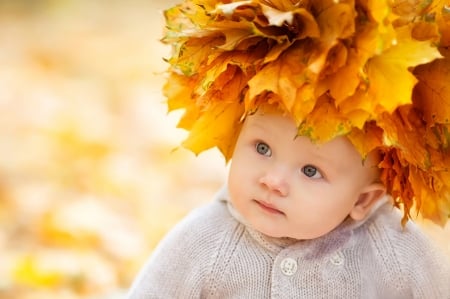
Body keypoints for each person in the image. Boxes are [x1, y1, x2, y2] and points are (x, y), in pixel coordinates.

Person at [128, 0, 450, 298]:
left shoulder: (395, 252)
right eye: (263, 148)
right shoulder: (206, 241)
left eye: (311, 171)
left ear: (364, 199)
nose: (272, 181)